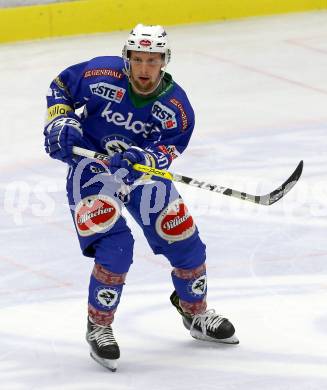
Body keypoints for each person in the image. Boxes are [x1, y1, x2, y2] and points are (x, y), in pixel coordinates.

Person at [44, 24, 238, 371]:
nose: (145, 69)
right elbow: (61, 86)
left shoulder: (176, 106)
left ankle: (194, 312)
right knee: (116, 248)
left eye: (153, 60)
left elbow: (167, 148)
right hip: (92, 168)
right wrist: (60, 122)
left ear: (164, 61)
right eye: (138, 60)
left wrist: (145, 159)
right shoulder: (98, 73)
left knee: (181, 235)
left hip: (141, 176)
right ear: (126, 58)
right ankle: (99, 325)